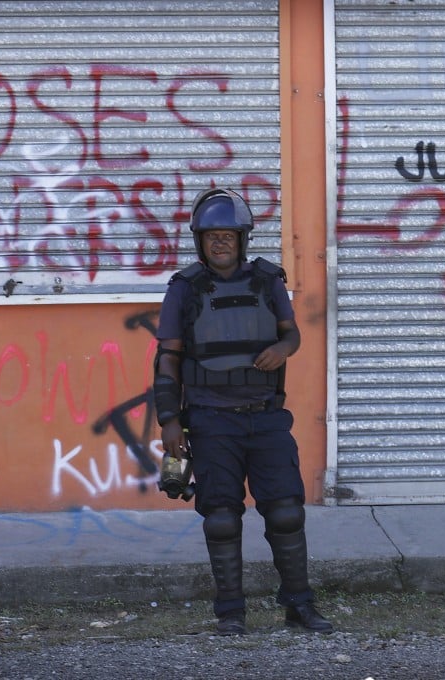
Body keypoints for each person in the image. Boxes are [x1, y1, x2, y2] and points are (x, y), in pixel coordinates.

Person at [153, 187, 334, 636]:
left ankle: (299, 606)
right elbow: (167, 358)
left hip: (266, 415)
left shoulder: (268, 281)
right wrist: (169, 420)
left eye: (228, 236)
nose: (220, 243)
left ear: (242, 239)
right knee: (220, 516)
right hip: (212, 419)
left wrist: (281, 348)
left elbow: (292, 336)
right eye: (211, 236)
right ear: (200, 241)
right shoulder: (184, 288)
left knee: (287, 511)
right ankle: (231, 613)